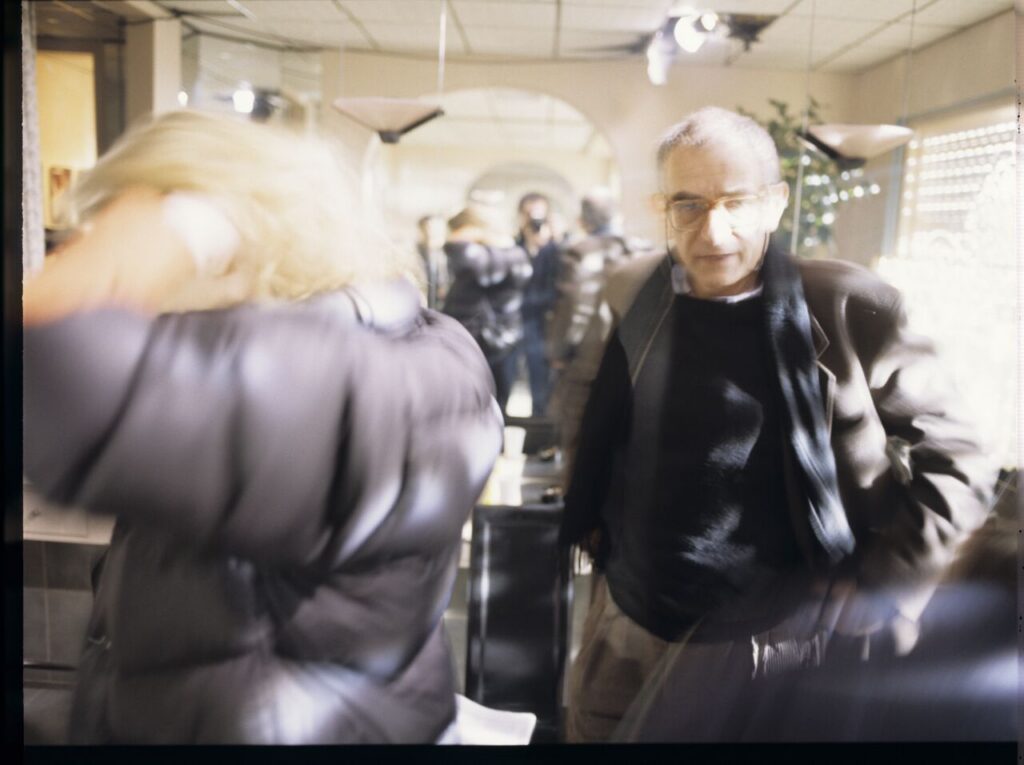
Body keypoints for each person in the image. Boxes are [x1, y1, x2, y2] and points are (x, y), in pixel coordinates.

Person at [22, 110, 504, 744]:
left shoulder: (347, 373)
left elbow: (53, 363)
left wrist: (184, 221)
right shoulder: (383, 344)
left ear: (231, 241)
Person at [558, 106, 997, 742]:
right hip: (627, 617)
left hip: (776, 637)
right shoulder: (633, 296)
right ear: (663, 210)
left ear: (774, 204)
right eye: (690, 204)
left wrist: (888, 584)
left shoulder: (848, 305)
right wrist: (591, 510)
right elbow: (588, 402)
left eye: (737, 202)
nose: (716, 229)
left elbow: (961, 455)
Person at [546, 188, 649, 427]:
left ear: (584, 218)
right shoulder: (641, 250)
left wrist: (559, 351)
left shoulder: (580, 252)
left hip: (589, 359)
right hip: (633, 355)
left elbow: (575, 308)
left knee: (579, 434)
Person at [442, 206, 532, 413]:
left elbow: (469, 262)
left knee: (480, 405)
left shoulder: (496, 256)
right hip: (494, 337)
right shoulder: (511, 252)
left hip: (483, 338)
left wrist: (462, 240)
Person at [514, 192, 561, 416]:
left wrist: (548, 245)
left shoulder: (557, 247)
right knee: (504, 385)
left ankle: (537, 445)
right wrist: (529, 249)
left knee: (541, 388)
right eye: (529, 215)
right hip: (513, 322)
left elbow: (558, 288)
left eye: (539, 216)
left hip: (543, 324)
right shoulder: (513, 245)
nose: (535, 222)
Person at [416, 214, 449, 310]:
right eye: (428, 228)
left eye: (436, 229)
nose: (431, 233)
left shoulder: (449, 253)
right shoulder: (415, 254)